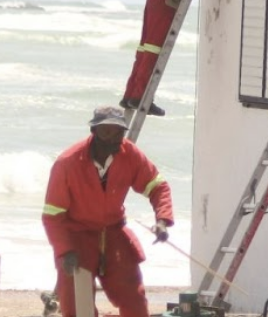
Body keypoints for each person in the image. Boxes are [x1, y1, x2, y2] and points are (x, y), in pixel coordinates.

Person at [41, 105, 175, 317]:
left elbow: (158, 187)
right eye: (106, 132)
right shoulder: (67, 163)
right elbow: (52, 215)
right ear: (93, 131)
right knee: (77, 308)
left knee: (134, 302)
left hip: (115, 234)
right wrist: (64, 251)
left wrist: (163, 219)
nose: (112, 139)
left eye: (118, 133)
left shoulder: (130, 154)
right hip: (77, 238)